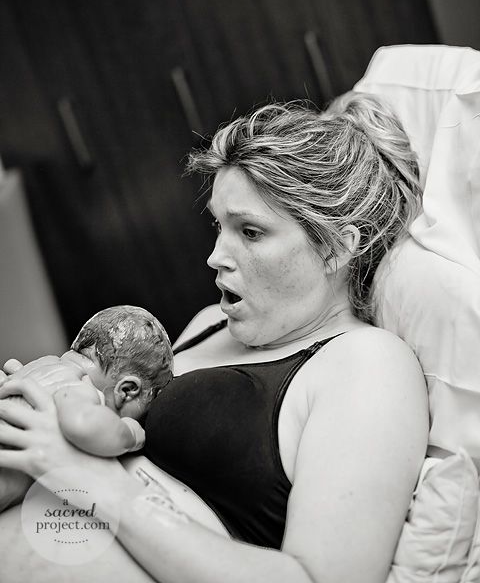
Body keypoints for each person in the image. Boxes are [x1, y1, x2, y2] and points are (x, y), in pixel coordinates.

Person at [0, 95, 429, 583]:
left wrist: (91, 482)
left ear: (337, 247)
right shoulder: (209, 322)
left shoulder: (368, 365)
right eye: (218, 226)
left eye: (249, 231)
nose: (215, 256)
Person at [0, 304, 173, 510]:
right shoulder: (82, 387)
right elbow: (83, 426)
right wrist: (130, 432)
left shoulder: (41, 365)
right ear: (127, 391)